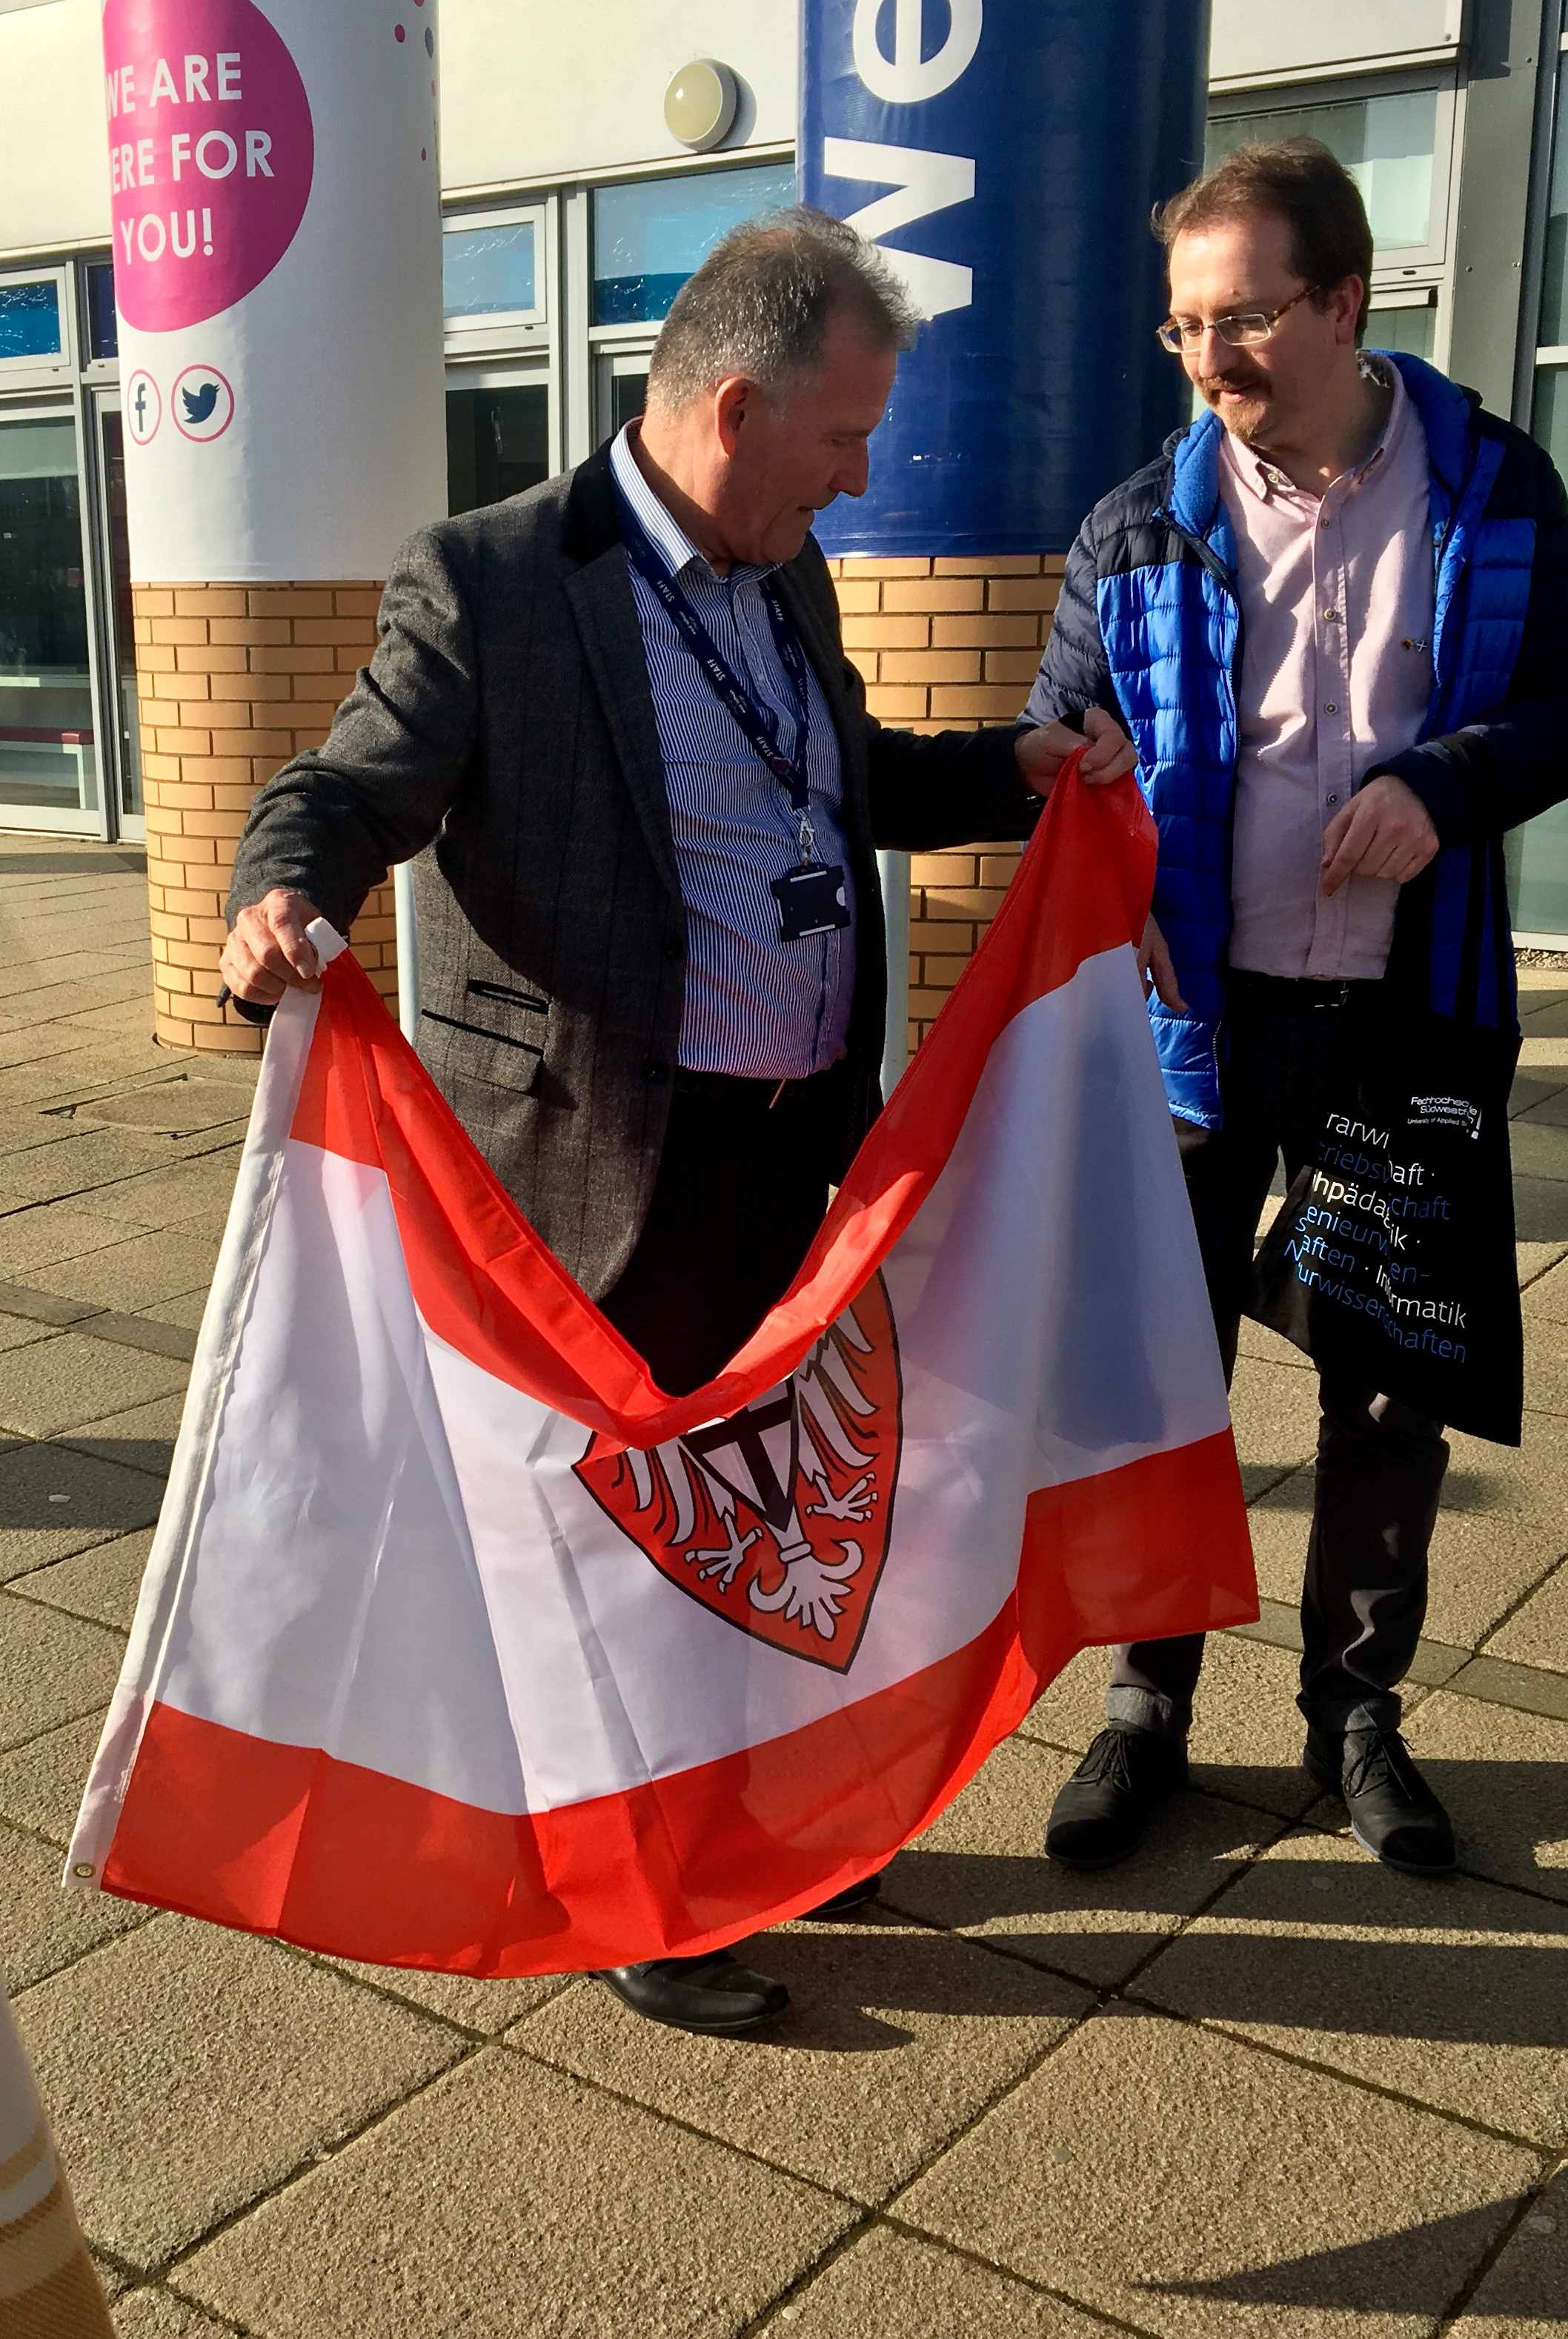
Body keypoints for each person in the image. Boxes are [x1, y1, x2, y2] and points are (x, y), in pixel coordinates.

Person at [220, 205, 1133, 2034]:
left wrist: (1007, 775)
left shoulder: (780, 575)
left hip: (800, 1150)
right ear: (732, 408)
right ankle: (648, 1895)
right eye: (841, 435)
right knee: (631, 1537)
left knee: (791, 1500)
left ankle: (780, 1817)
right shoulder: (488, 580)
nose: (859, 474)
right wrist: (272, 892)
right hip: (604, 1156)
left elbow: (842, 781)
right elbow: (345, 785)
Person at [1023, 139, 1568, 1877]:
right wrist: (1103, 818)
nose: (1209, 359)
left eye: (1244, 318)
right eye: (1183, 325)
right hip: (1193, 1029)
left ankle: (1353, 1712)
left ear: (1346, 301)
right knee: (1161, 1370)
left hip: (1399, 1016)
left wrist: (1447, 782)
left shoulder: (1489, 486)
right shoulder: (1137, 515)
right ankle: (1144, 1701)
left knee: (1383, 1383)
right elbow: (1064, 730)